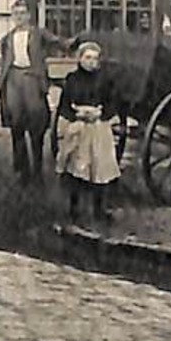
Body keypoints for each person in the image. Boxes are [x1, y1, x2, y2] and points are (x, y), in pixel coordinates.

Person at [55, 40, 121, 225]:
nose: (91, 62)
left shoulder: (105, 80)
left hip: (99, 127)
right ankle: (74, 209)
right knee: (77, 168)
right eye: (87, 57)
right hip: (79, 127)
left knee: (99, 168)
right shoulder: (72, 79)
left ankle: (99, 209)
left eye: (95, 58)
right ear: (80, 58)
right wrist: (76, 115)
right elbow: (64, 106)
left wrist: (101, 113)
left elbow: (112, 103)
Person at [0, 0, 62, 181]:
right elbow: (5, 61)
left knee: (36, 123)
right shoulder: (7, 39)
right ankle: (23, 170)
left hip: (32, 78)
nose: (19, 17)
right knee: (16, 125)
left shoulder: (38, 34)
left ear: (28, 15)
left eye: (22, 13)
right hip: (13, 79)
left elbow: (57, 42)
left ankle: (37, 169)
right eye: (16, 13)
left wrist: (75, 44)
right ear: (12, 17)